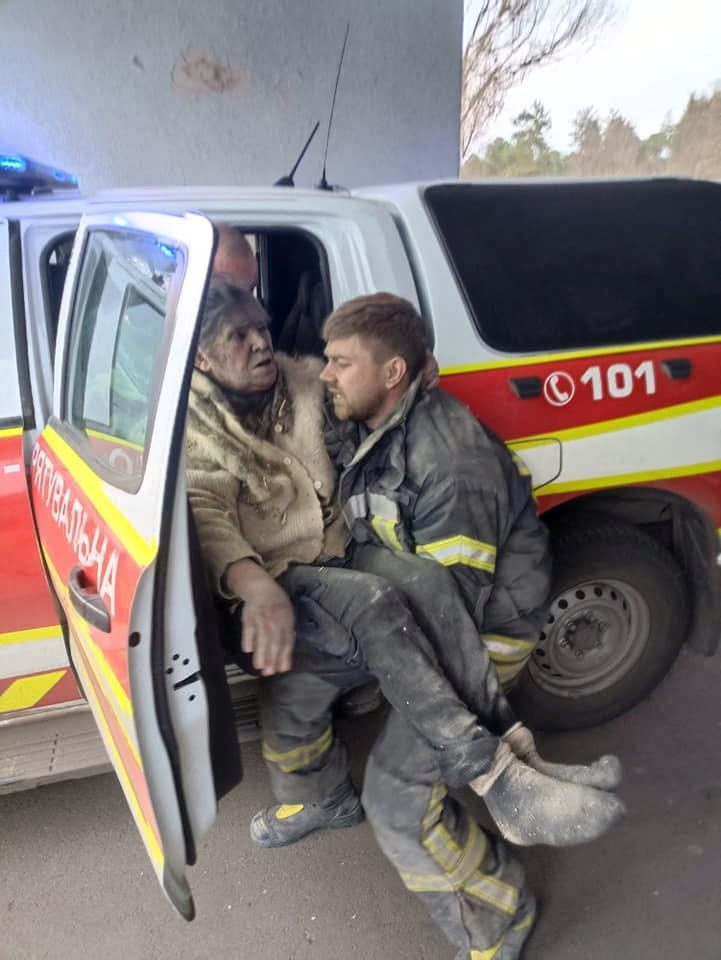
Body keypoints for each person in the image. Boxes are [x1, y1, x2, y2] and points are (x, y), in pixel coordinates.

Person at [185, 278, 624, 960]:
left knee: (397, 799)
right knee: (292, 682)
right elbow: (224, 489)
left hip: (470, 633)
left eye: (337, 363)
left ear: (390, 373)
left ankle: (498, 904)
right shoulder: (357, 411)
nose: (313, 370)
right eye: (322, 359)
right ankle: (322, 797)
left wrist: (400, 676)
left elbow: (444, 606)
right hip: (395, 605)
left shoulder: (451, 465)